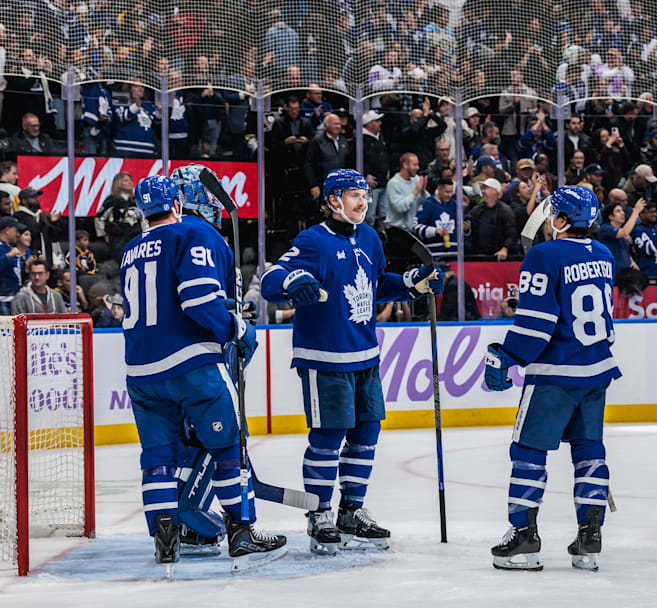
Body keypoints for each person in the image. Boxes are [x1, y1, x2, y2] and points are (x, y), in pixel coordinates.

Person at [260, 169, 444, 555]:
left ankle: (351, 511)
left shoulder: (370, 238)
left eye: (364, 195)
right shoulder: (313, 241)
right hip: (325, 358)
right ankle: (319, 513)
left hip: (365, 356)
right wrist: (291, 282)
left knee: (366, 434)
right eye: (353, 195)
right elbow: (271, 279)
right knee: (327, 438)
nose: (362, 202)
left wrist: (411, 283)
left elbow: (376, 285)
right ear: (332, 200)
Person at [120, 175, 285, 574]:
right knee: (230, 447)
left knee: (157, 457)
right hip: (191, 363)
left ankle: (166, 541)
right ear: (177, 204)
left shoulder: (130, 249)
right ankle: (241, 533)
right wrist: (237, 329)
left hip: (140, 372)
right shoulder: (191, 232)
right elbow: (196, 301)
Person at [483, 185, 620, 571]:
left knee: (527, 451)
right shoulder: (604, 254)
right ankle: (590, 539)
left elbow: (536, 325)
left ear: (561, 220)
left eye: (551, 215)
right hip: (596, 369)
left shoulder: (544, 255)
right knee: (589, 451)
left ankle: (524, 539)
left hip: (554, 373)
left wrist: (507, 355)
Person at [0, 216, 26, 314]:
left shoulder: (10, 248)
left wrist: (26, 266)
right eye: (16, 230)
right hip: (3, 300)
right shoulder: (5, 249)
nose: (18, 234)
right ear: (7, 230)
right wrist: (9, 256)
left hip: (15, 299)